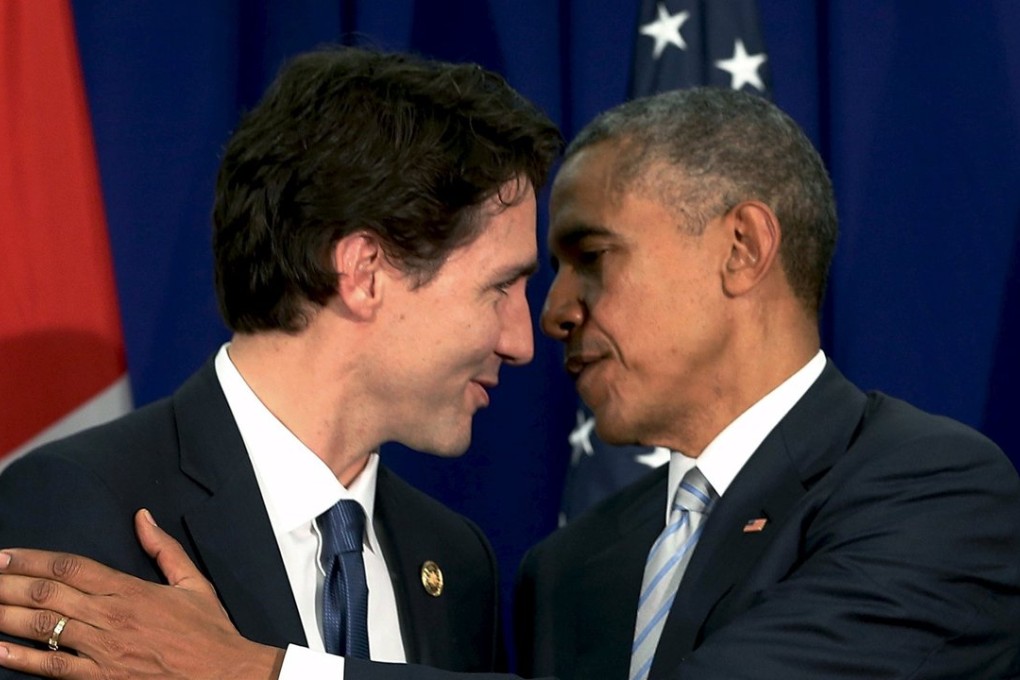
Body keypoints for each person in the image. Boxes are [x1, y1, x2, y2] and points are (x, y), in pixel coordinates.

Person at [2, 87, 1019, 680]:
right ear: (363, 273)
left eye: (588, 257)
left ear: (742, 246)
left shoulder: (939, 493)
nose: (542, 323)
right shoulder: (562, 572)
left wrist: (265, 672)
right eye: (514, 278)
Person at [0, 46, 560, 679]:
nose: (522, 341)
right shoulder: (81, 504)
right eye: (500, 287)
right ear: (364, 272)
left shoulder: (455, 561)